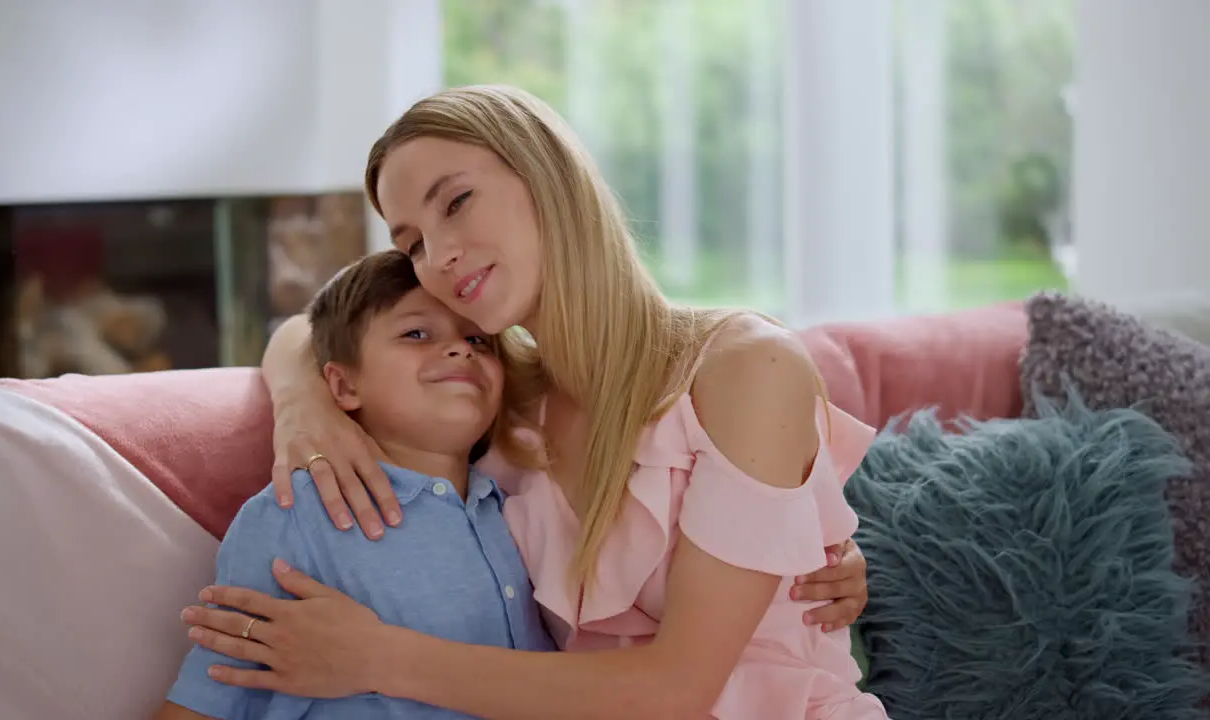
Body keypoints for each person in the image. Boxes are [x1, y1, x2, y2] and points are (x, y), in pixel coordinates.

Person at [180, 84, 884, 718]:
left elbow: (676, 691)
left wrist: (374, 658)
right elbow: (311, 328)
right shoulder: (504, 405)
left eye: (455, 202)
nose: (440, 256)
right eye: (413, 243)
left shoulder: (743, 369)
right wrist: (303, 401)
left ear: (549, 178)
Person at [156, 250, 555, 719]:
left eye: (478, 339)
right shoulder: (296, 513)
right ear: (343, 388)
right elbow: (213, 693)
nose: (461, 348)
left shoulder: (516, 507)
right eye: (416, 333)